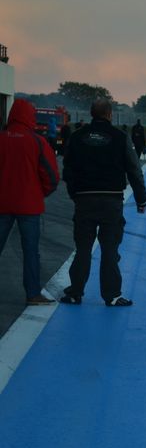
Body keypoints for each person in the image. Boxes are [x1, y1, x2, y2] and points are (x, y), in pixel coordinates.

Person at [60, 98, 146, 307]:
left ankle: (75, 292)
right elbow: (134, 169)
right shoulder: (120, 136)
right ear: (109, 115)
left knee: (83, 248)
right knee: (109, 249)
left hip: (84, 199)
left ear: (91, 114)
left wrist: (75, 193)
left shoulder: (78, 136)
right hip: (111, 200)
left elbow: (68, 168)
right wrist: (141, 199)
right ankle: (112, 295)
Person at [0, 99, 61, 305]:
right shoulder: (37, 141)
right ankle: (33, 294)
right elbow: (51, 176)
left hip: (2, 204)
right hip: (29, 205)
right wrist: (38, 193)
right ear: (29, 116)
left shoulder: (1, 139)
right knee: (30, 251)